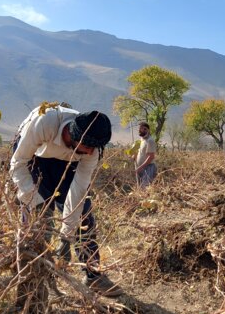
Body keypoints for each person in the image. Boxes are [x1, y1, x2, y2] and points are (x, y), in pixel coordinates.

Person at [10, 104, 122, 297]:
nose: (89, 153)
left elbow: (77, 193)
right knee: (38, 219)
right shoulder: (44, 123)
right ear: (73, 135)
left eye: (93, 150)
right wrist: (35, 201)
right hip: (33, 157)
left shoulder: (91, 151)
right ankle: (31, 278)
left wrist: (65, 236)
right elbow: (17, 164)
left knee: (84, 215)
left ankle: (93, 275)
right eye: (86, 148)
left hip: (67, 162)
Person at [133, 121, 157, 188]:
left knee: (146, 188)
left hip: (148, 168)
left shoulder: (150, 141)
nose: (141, 130)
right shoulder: (141, 140)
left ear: (147, 130)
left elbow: (151, 157)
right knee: (140, 188)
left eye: (143, 129)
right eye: (140, 129)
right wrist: (134, 156)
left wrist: (140, 168)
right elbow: (140, 152)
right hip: (140, 168)